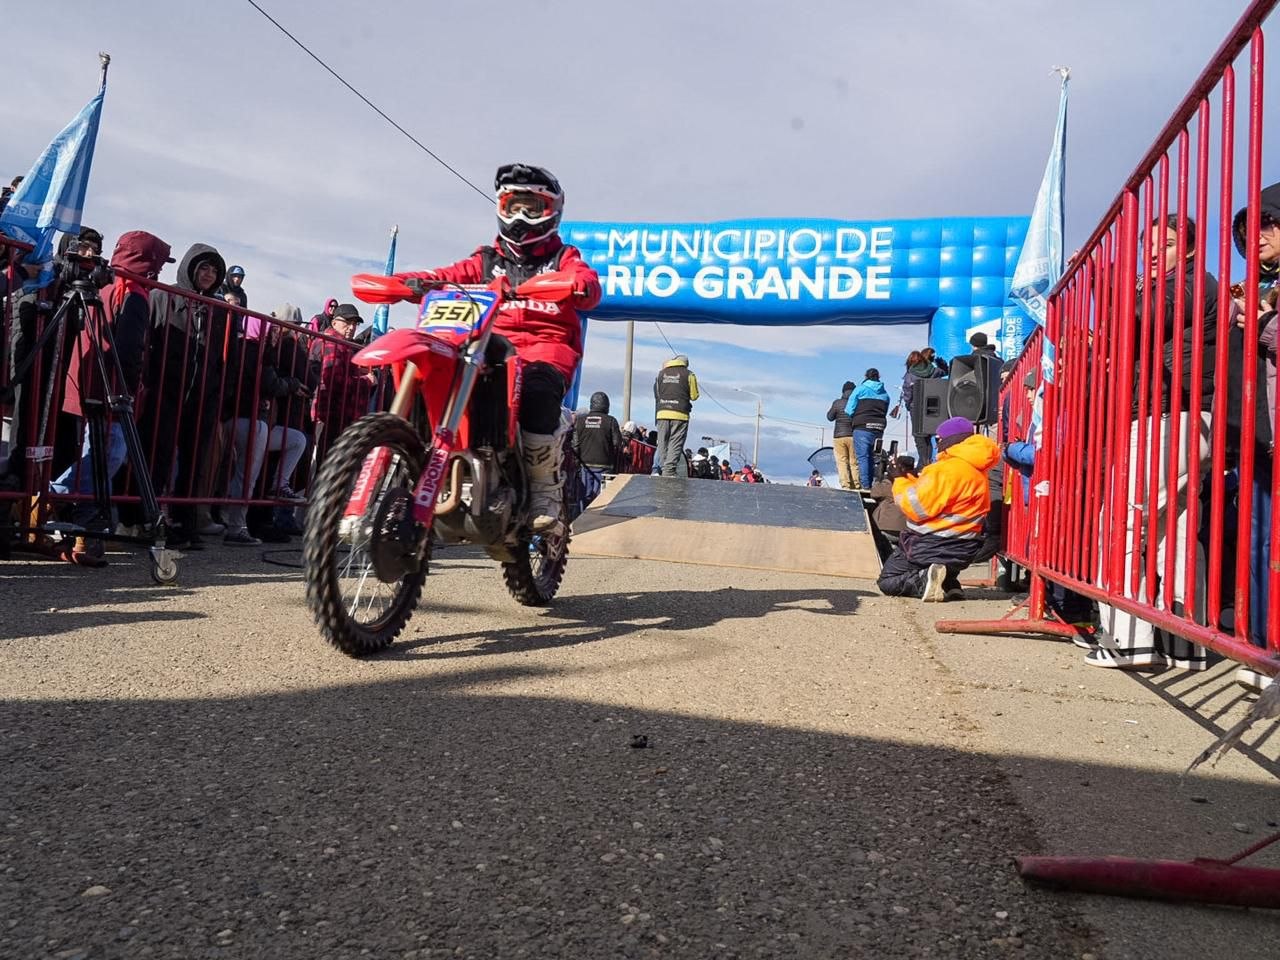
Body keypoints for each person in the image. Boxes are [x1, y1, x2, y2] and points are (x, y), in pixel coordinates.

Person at [394, 163, 601, 530]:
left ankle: (544, 491)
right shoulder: (486, 260)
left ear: (551, 211)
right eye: (512, 206)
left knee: (538, 390)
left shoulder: (563, 258)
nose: (520, 217)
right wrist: (407, 282)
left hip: (544, 346)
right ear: (500, 208)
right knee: (435, 370)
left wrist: (579, 285)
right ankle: (397, 466)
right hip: (488, 345)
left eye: (531, 208)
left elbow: (585, 281)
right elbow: (447, 275)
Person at [1091, 215, 1223, 670]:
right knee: (1175, 529)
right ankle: (1184, 640)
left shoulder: (1187, 283)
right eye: (1146, 244)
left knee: (1122, 522)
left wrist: (1107, 279)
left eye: (1164, 244)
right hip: (1184, 417)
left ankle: (1129, 638)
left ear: (1189, 249)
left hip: (1166, 417)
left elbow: (1142, 317)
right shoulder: (1185, 284)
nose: (1150, 252)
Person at [51, 231, 172, 565]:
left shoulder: (105, 286)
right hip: (111, 388)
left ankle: (82, 528)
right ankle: (51, 495)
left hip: (88, 382)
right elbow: (129, 351)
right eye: (158, 264)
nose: (160, 271)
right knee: (110, 453)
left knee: (99, 453)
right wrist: (131, 392)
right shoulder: (132, 293)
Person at [1230, 186, 1280, 691]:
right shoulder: (1262, 287)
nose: (1256, 236)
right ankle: (1265, 647)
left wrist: (1264, 325)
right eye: (1248, 230)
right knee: (1261, 541)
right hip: (1260, 435)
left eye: (1267, 223)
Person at [877, 416, 999, 601]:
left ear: (950, 440)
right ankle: (949, 583)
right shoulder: (976, 468)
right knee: (941, 562)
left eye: (939, 439)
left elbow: (917, 509)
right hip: (964, 548)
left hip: (931, 545)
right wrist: (910, 477)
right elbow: (941, 499)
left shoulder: (946, 469)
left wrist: (899, 479)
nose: (937, 443)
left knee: (888, 581)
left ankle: (924, 581)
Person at [311, 303, 374, 466]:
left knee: (329, 464)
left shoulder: (339, 344)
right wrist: (365, 381)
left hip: (332, 413)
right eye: (347, 322)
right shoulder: (333, 343)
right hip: (332, 414)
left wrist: (357, 373)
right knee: (329, 464)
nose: (352, 327)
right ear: (334, 322)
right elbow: (334, 380)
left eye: (355, 324)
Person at [891, 350, 945, 467]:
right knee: (929, 435)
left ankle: (923, 464)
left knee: (919, 437)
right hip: (933, 407)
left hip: (916, 408)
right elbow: (945, 371)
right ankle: (927, 463)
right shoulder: (934, 371)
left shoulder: (910, 375)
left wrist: (908, 405)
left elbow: (907, 393)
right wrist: (940, 362)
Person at [653, 354, 699, 478]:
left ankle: (664, 468)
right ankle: (669, 471)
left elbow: (657, 393)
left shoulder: (661, 374)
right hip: (680, 413)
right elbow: (694, 396)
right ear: (685, 364)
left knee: (662, 442)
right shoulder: (689, 374)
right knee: (675, 442)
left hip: (662, 412)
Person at [846, 368, 890, 489]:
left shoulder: (860, 389)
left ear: (866, 376)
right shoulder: (885, 394)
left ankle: (866, 485)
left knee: (863, 457)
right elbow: (884, 411)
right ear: (878, 377)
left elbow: (849, 410)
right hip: (879, 428)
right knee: (873, 456)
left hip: (862, 427)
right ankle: (873, 484)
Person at [867, 455, 915, 558]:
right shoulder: (917, 483)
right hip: (908, 529)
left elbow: (874, 493)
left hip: (887, 527)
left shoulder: (892, 482)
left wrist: (881, 478)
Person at [573, 390, 624, 472]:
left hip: (585, 465)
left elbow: (575, 445)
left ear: (591, 404)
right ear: (607, 405)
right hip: (605, 464)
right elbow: (617, 443)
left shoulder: (580, 421)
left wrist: (576, 461)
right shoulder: (611, 421)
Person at [826, 380, 856, 490]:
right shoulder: (857, 403)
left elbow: (829, 417)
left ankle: (845, 485)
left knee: (842, 461)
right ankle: (856, 485)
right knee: (854, 462)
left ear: (843, 391)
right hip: (853, 435)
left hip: (839, 436)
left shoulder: (837, 403)